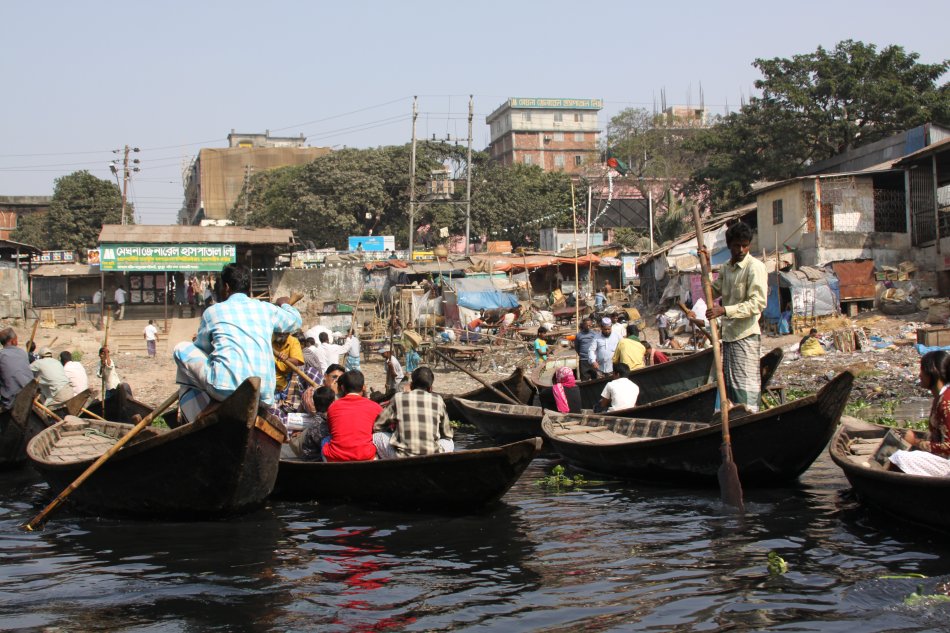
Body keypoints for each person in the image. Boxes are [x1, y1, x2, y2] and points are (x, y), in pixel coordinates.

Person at [172, 263, 302, 423]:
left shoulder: (213, 312)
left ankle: (200, 411)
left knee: (181, 348)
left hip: (224, 390)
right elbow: (295, 321)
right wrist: (285, 304)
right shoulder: (266, 309)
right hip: (264, 394)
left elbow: (202, 348)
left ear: (226, 287)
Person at [704, 221, 768, 413]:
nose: (741, 249)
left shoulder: (754, 267)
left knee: (745, 386)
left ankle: (748, 417)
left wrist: (724, 310)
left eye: (745, 245)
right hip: (729, 335)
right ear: (729, 245)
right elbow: (712, 291)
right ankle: (735, 419)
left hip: (745, 335)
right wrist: (706, 266)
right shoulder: (726, 268)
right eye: (736, 245)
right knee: (731, 387)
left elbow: (758, 303)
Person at [888, 351, 950, 476]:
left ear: (932, 372)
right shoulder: (941, 397)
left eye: (922, 370)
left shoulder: (946, 402)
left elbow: (948, 447)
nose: (920, 375)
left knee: (899, 457)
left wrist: (915, 442)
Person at [372, 366, 454, 459]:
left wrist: (393, 433)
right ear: (430, 388)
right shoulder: (438, 400)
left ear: (411, 385)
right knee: (449, 442)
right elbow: (448, 434)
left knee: (376, 436)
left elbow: (377, 426)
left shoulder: (398, 397)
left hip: (401, 456)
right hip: (433, 455)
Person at [322, 370, 382, 462]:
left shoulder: (333, 407)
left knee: (325, 439)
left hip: (335, 458)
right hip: (366, 457)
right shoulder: (375, 407)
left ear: (342, 387)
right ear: (363, 388)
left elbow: (331, 431)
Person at [0, 328, 33, 411]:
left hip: (11, 402)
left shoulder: (1, 355)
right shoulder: (23, 353)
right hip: (30, 395)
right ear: (13, 341)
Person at [273, 331, 305, 395]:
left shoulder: (293, 341)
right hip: (268, 382)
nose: (281, 334)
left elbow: (298, 361)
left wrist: (287, 359)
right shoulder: (269, 338)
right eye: (279, 332)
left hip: (283, 384)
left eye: (284, 332)